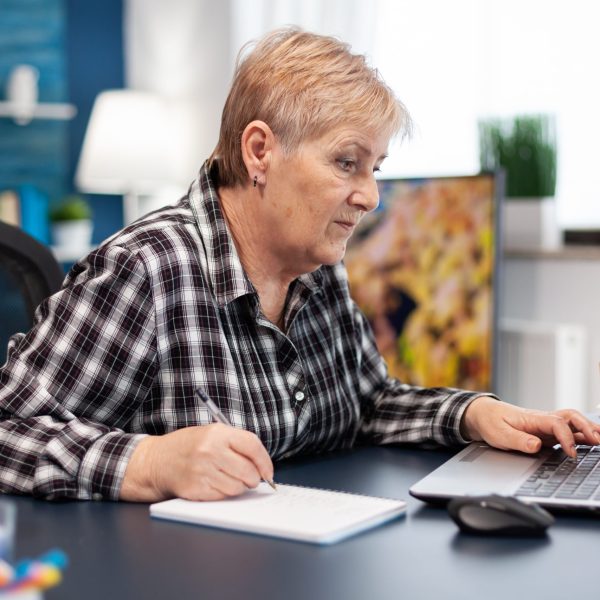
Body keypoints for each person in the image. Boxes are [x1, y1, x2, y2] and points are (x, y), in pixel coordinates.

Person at [0, 28, 599, 503]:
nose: (370, 196)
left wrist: (477, 414)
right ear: (260, 150)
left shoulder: (317, 270)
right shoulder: (148, 269)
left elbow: (368, 404)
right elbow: (11, 430)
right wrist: (149, 461)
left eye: (376, 168)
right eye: (347, 162)